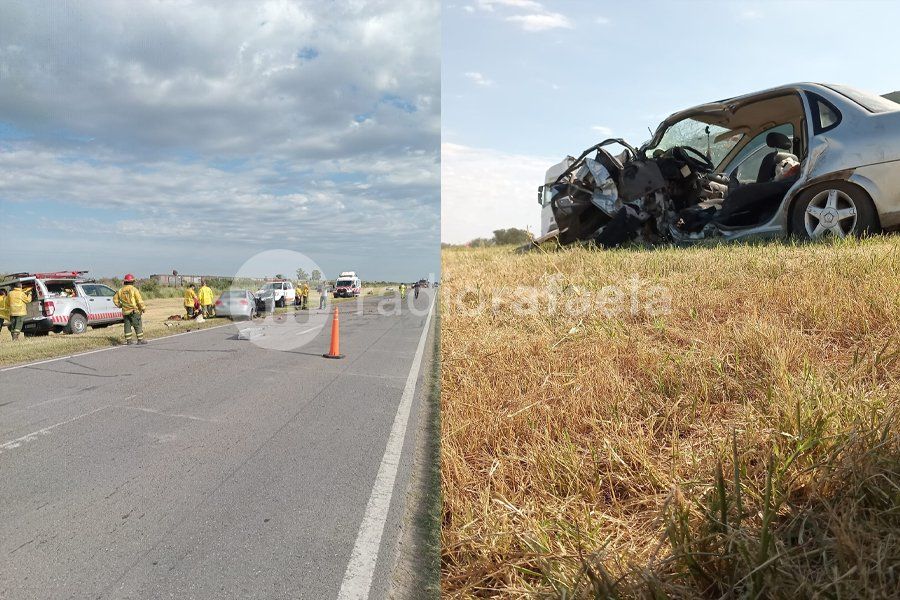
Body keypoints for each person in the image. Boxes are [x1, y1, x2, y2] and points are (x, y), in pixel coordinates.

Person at [112, 274, 147, 345]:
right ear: (132, 281)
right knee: (137, 325)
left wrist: (120, 305)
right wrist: (143, 308)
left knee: (127, 326)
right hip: (134, 311)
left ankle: (129, 340)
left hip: (125, 312)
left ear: (125, 282)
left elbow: (115, 299)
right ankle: (140, 340)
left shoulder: (120, 290)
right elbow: (139, 300)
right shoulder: (134, 290)